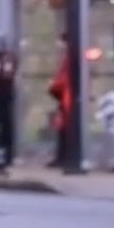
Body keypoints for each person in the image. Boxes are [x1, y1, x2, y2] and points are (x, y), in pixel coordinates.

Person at [48, 33, 72, 167]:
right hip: (65, 97)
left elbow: (62, 80)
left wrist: (53, 86)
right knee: (63, 129)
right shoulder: (68, 59)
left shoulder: (68, 60)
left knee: (64, 129)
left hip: (66, 98)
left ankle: (63, 157)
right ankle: (62, 157)